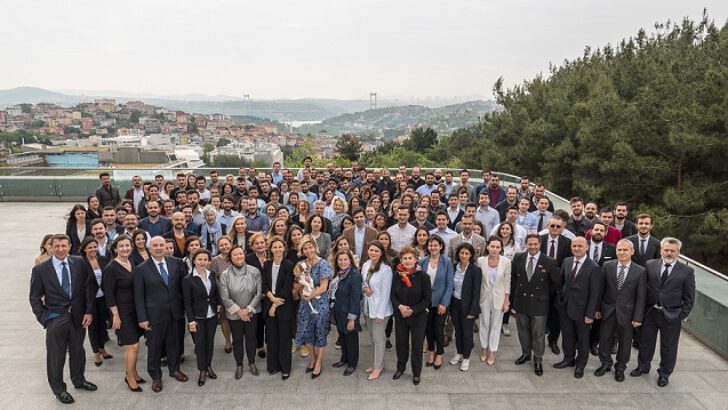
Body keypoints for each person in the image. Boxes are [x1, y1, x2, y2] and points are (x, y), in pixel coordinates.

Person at [30, 234, 97, 404]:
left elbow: (89, 287)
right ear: (51, 248)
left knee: (78, 351)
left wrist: (89, 311)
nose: (60, 249)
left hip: (78, 318)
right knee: (56, 356)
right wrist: (44, 318)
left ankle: (79, 380)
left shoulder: (79, 263)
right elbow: (35, 298)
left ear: (69, 246)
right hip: (55, 319)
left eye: (64, 246)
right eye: (57, 246)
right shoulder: (40, 270)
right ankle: (59, 389)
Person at [632, 237, 695, 387]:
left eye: (672, 251)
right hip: (651, 312)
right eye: (666, 250)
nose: (669, 253)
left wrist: (681, 315)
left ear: (678, 252)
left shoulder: (687, 271)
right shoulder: (650, 265)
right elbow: (643, 289)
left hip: (672, 315)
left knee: (669, 346)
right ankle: (643, 366)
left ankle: (664, 373)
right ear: (661, 251)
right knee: (646, 342)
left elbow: (690, 297)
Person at [134, 236, 189, 392]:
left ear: (166, 247)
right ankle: (156, 376)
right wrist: (142, 318)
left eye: (161, 245)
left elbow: (182, 288)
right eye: (155, 245)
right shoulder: (141, 268)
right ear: (149, 248)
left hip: (175, 313)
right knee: (154, 347)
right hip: (153, 316)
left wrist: (185, 310)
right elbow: (138, 295)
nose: (159, 248)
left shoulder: (177, 263)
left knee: (174, 344)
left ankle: (174, 370)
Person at [594, 239, 646, 382]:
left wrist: (638, 317)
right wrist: (597, 308)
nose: (622, 253)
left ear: (632, 252)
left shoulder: (640, 271)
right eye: (619, 250)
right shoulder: (607, 266)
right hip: (608, 310)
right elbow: (601, 289)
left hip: (628, 313)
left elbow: (641, 297)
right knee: (604, 339)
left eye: (625, 250)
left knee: (624, 343)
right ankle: (605, 363)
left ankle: (620, 367)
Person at [553, 237, 603, 379]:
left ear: (587, 247)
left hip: (583, 311)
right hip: (565, 307)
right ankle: (568, 359)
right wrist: (560, 301)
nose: (577, 248)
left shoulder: (594, 267)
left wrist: (590, 314)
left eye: (580, 246)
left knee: (582, 339)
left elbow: (595, 293)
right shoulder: (567, 261)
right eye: (574, 246)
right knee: (567, 335)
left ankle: (581, 364)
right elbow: (562, 282)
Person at [510, 234, 559, 376]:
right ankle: (526, 354)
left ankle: (538, 359)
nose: (532, 247)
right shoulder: (518, 257)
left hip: (540, 303)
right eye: (529, 244)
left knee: (538, 334)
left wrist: (544, 295)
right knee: (523, 331)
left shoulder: (549, 261)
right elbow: (514, 280)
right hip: (521, 302)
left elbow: (555, 283)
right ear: (526, 244)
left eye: (535, 244)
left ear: (540, 244)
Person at [219, 244, 263, 379]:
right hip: (234, 314)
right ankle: (239, 364)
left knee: (251, 338)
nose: (239, 256)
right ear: (230, 258)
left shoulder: (254, 271)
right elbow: (224, 297)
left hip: (252, 311)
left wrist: (248, 309)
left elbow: (259, 292)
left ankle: (251, 362)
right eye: (235, 254)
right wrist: (239, 312)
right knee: (237, 340)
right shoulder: (225, 275)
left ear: (244, 255)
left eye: (241, 254)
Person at [391, 246, 432, 385]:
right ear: (401, 260)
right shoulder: (397, 274)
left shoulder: (424, 277)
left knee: (417, 345)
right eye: (405, 258)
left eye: (410, 258)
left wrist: (412, 310)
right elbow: (392, 295)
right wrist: (400, 307)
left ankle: (416, 373)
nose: (407, 261)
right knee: (401, 344)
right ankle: (400, 368)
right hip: (401, 316)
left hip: (418, 317)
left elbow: (427, 300)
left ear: (416, 259)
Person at [293, 236, 333, 379]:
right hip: (305, 304)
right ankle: (312, 358)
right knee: (307, 332)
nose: (308, 250)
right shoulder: (300, 264)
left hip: (320, 304)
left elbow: (323, 287)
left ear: (315, 247)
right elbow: (297, 284)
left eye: (311, 247)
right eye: (305, 248)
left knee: (320, 332)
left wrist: (309, 296)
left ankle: (319, 362)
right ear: (302, 250)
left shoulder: (323, 264)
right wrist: (299, 291)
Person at [183, 249, 220, 386]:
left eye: (205, 259)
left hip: (211, 316)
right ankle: (202, 370)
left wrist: (219, 306)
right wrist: (191, 321)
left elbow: (215, 293)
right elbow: (187, 302)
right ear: (194, 261)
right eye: (200, 259)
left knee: (210, 343)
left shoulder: (212, 274)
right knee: (200, 344)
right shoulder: (188, 279)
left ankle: (208, 365)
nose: (203, 262)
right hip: (197, 317)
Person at [262, 236, 296, 380]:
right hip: (270, 302)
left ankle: (285, 368)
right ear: (271, 249)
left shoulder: (289, 265)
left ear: (284, 249)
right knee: (271, 338)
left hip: (284, 306)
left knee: (284, 339)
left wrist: (274, 306)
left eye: (280, 247)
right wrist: (271, 299)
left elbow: (287, 289)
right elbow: (264, 284)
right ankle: (273, 366)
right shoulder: (267, 264)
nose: (277, 249)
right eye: (275, 247)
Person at [360, 241, 393, 380]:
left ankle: (378, 367)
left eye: (376, 251)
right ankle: (375, 363)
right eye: (371, 250)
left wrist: (379, 314)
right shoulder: (366, 265)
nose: (373, 253)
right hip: (368, 307)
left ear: (381, 253)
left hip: (381, 311)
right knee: (372, 337)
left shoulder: (386, 270)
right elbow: (363, 282)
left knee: (379, 339)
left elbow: (386, 294)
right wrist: (364, 289)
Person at [476, 236, 511, 365]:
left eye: (497, 247)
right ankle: (484, 348)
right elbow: (478, 281)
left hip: (499, 296)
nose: (495, 249)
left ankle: (492, 350)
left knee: (496, 324)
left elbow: (507, 282)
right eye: (492, 246)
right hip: (484, 295)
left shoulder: (506, 262)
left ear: (501, 248)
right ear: (488, 247)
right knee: (484, 322)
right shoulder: (481, 261)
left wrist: (506, 300)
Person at [420, 235, 454, 369]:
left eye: (435, 245)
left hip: (440, 303)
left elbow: (449, 284)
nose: (433, 247)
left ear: (440, 246)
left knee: (439, 329)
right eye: (430, 245)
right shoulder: (422, 262)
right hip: (426, 302)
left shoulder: (447, 261)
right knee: (428, 329)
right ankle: (431, 351)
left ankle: (439, 353)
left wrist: (444, 303)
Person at [448, 243, 482, 371]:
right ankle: (459, 352)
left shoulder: (475, 270)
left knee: (467, 333)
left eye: (467, 253)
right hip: (455, 303)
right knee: (458, 331)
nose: (464, 255)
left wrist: (473, 310)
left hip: (468, 306)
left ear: (471, 255)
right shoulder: (453, 267)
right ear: (458, 254)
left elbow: (476, 292)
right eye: (461, 253)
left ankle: (466, 357)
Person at [541, 215, 572, 354]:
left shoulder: (568, 242)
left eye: (558, 226)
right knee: (540, 314)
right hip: (540, 283)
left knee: (556, 315)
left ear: (563, 228)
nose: (554, 229)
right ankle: (538, 340)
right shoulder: (540, 240)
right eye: (552, 226)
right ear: (548, 226)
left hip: (559, 284)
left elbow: (569, 263)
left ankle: (553, 341)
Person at [78, 237, 112, 367]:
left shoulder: (102, 260)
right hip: (89, 300)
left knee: (102, 325)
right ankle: (96, 352)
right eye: (90, 247)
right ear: (84, 248)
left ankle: (102, 347)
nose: (93, 249)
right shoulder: (81, 262)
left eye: (95, 247)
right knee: (93, 327)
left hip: (103, 298)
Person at [330, 250, 363, 376]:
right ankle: (344, 359)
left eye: (345, 259)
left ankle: (352, 364)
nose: (343, 262)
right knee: (342, 337)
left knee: (351, 339)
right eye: (340, 260)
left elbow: (356, 298)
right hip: (338, 311)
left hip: (349, 313)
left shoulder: (354, 276)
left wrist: (352, 319)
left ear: (350, 261)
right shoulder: (339, 274)